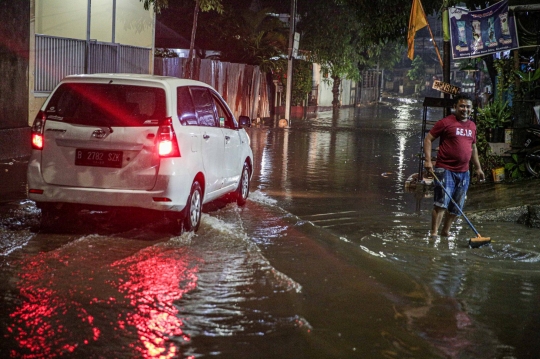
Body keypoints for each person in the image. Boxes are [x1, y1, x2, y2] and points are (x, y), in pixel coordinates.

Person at [423, 93, 485, 237]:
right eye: (462, 106)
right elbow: (428, 139)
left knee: (457, 206)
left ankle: (445, 232)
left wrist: (478, 168)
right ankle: (433, 235)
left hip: (464, 171)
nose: (465, 109)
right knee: (441, 203)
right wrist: (427, 160)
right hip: (445, 169)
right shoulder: (445, 123)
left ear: (471, 109)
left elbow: (473, 147)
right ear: (455, 107)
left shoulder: (472, 126)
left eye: (468, 107)